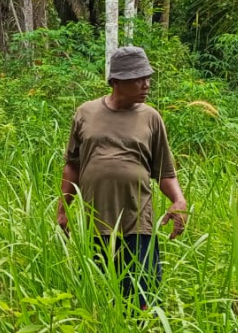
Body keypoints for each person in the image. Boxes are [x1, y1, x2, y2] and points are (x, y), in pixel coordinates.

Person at [56, 46, 187, 311]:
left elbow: (164, 171)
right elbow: (72, 166)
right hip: (94, 223)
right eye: (139, 78)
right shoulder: (86, 113)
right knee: (98, 301)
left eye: (147, 77)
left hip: (136, 223)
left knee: (141, 300)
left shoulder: (151, 118)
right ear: (116, 81)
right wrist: (63, 208)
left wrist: (178, 200)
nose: (146, 84)